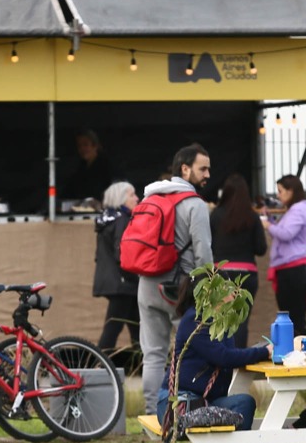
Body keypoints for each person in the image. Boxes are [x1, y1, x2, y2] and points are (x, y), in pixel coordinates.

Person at [163, 282, 270, 443]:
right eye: (228, 288)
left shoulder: (220, 319)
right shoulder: (196, 320)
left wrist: (257, 352)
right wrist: (263, 352)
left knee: (244, 403)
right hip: (180, 404)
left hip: (203, 401)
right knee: (233, 409)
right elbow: (224, 357)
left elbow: (227, 354)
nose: (234, 293)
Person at [136, 144, 214, 415]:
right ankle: (187, 409)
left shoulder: (150, 198)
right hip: (179, 288)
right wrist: (212, 289)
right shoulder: (195, 205)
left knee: (153, 353)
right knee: (193, 348)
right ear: (185, 168)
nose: (207, 174)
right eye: (203, 168)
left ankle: (151, 415)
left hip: (146, 283)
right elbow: (203, 252)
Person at [210, 174, 268, 344]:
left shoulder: (215, 215)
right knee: (241, 321)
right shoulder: (252, 217)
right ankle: (239, 362)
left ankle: (222, 362)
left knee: (220, 319)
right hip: (247, 275)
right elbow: (261, 249)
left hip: (221, 274)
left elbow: (208, 244)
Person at [265, 175, 306, 337]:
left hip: (293, 269)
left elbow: (287, 234)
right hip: (289, 268)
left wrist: (267, 225)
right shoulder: (295, 210)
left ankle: (302, 351)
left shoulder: (299, 209)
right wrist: (272, 221)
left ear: (291, 191)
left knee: (294, 317)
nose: (278, 195)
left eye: (280, 191)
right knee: (293, 317)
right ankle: (298, 350)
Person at [93, 181, 140, 359]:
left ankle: (144, 365)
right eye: (132, 194)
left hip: (112, 281)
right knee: (114, 327)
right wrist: (136, 276)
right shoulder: (122, 219)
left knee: (135, 325)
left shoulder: (107, 219)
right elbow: (122, 254)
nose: (137, 198)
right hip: (123, 282)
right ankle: (98, 366)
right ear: (121, 198)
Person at [60, 130, 115, 202]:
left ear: (95, 146)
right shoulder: (81, 168)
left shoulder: (107, 166)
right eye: (79, 146)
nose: (82, 149)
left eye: (85, 145)